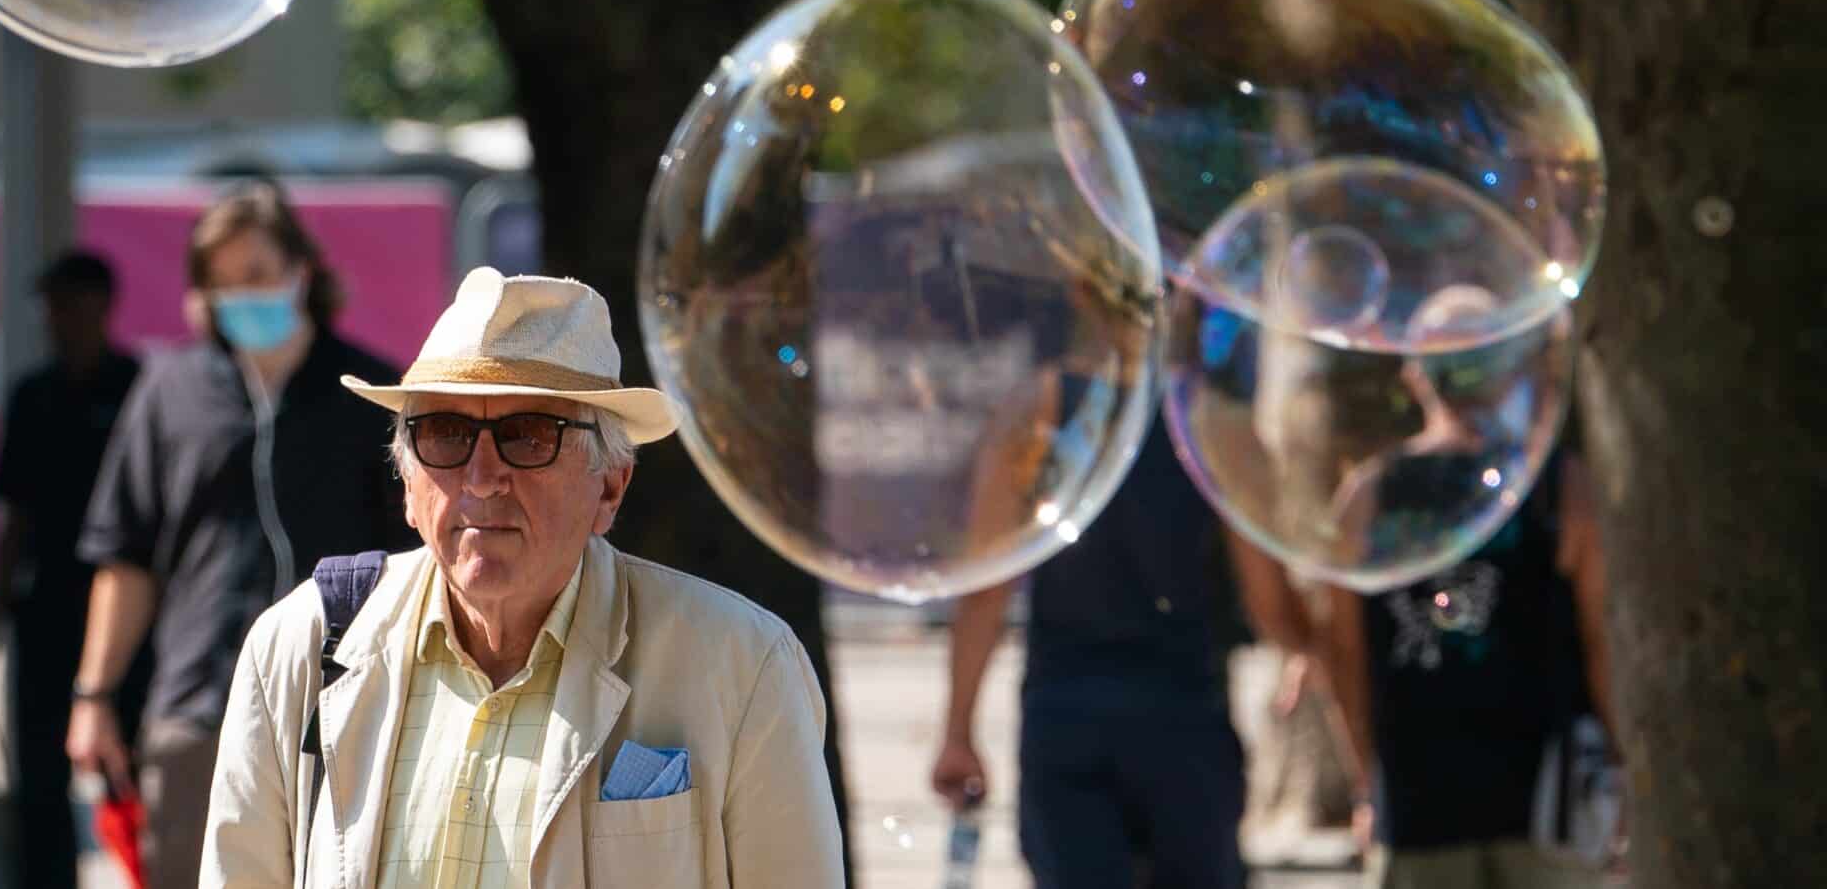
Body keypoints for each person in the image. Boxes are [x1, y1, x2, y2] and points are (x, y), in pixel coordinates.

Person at [201, 266, 845, 889]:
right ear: (407, 485)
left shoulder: (743, 664)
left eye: (531, 435)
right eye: (446, 435)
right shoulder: (301, 645)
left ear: (610, 488)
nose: (481, 478)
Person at [68, 181, 412, 889]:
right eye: (221, 284)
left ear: (302, 272)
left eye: (256, 275)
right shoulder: (170, 392)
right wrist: (94, 697)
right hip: (198, 706)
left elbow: (420, 556)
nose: (241, 297)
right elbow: (125, 558)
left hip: (348, 705)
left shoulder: (373, 391)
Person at [931, 400, 1311, 889]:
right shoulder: (1216, 420)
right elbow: (1269, 601)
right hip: (1185, 722)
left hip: (1065, 717)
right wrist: (1309, 649)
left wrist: (958, 732)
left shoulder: (1037, 410)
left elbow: (986, 592)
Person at [1316, 418, 1615, 889]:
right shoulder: (1559, 479)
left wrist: (1367, 785)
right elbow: (1601, 641)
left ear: (1416, 375)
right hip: (1546, 808)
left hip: (1419, 807)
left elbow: (1343, 656)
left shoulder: (1367, 494)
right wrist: (1616, 764)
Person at [0, 248, 146, 889]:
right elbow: (12, 516)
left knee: (135, 770)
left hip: (129, 618)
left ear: (101, 304)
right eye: (49, 305)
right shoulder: (32, 396)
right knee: (38, 783)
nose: (54, 318)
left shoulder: (138, 389)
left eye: (65, 302)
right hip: (44, 609)